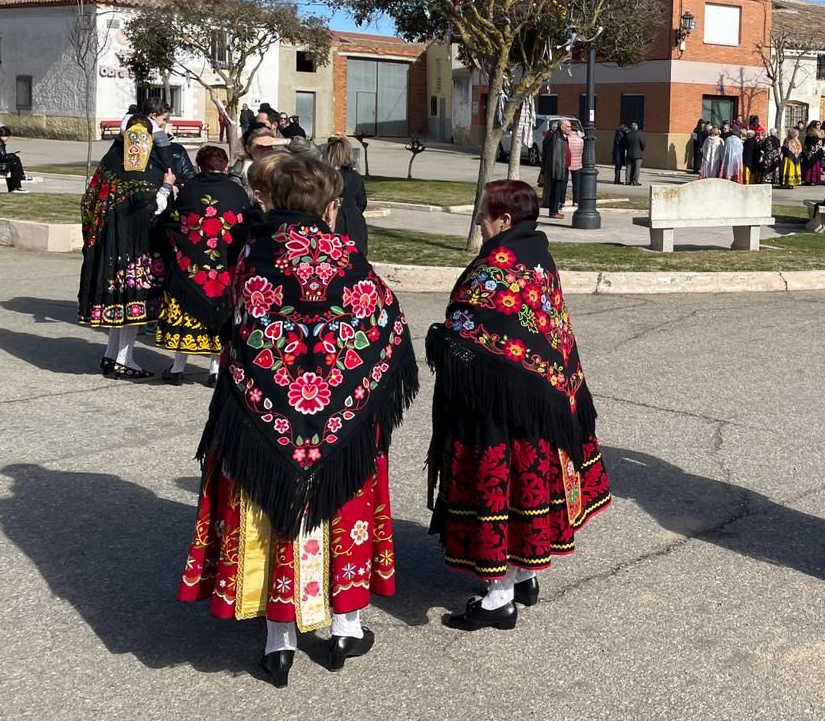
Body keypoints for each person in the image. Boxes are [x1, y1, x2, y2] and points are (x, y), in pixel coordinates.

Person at [178, 155, 417, 686]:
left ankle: (277, 643)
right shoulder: (348, 258)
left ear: (274, 200)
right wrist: (348, 398)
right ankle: (347, 630)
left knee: (270, 516)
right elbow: (387, 327)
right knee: (343, 510)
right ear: (329, 205)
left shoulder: (252, 255)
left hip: (261, 420)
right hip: (341, 426)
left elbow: (234, 325)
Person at [424, 179, 612, 630]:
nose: (479, 222)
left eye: (484, 215)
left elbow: (470, 331)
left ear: (504, 220)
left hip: (503, 405)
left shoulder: (499, 266)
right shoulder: (537, 253)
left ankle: (498, 599)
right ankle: (525, 574)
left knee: (502, 488)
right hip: (541, 395)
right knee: (529, 486)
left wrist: (442, 339)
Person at [78, 117, 175, 379]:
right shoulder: (146, 171)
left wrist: (93, 239)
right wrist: (166, 187)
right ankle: (124, 358)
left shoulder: (109, 163)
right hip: (135, 249)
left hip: (107, 247)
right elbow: (150, 210)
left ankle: (112, 355)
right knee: (131, 302)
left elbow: (88, 204)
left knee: (116, 301)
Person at [155, 144, 254, 385]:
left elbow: (173, 221)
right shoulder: (237, 192)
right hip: (224, 267)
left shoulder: (189, 190)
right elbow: (246, 224)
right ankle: (214, 371)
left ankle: (178, 368)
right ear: (225, 167)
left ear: (199, 166)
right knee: (221, 315)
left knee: (189, 309)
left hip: (192, 268)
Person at [322, 136, 369, 255]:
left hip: (333, 219)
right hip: (354, 220)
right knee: (355, 256)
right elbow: (362, 202)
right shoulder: (356, 176)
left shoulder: (328, 177)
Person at [539, 119, 570, 218]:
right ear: (562, 127)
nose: (570, 129)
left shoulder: (561, 137)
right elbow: (552, 153)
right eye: (568, 127)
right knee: (555, 190)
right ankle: (553, 211)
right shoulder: (555, 137)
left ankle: (555, 210)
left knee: (557, 190)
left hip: (561, 167)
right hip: (556, 168)